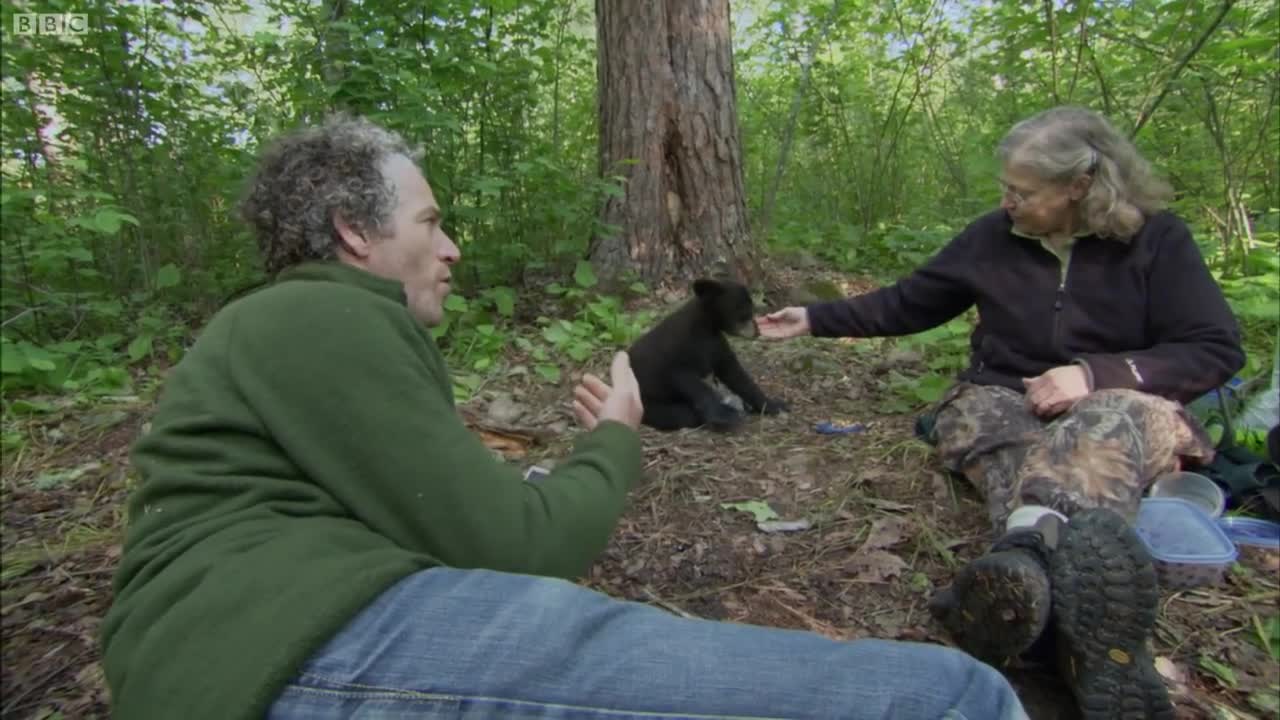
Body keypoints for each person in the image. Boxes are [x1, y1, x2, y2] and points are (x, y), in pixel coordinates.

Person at [98, 114, 1029, 720]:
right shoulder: (322, 313)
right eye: (430, 223)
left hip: (250, 645)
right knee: (950, 698)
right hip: (288, 642)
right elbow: (522, 549)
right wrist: (614, 437)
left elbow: (439, 513)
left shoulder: (283, 332)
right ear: (354, 232)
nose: (453, 247)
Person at [759, 105, 1245, 719]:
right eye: (1005, 187)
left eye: (1024, 191)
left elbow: (1214, 347)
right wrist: (814, 318)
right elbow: (911, 302)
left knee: (1100, 423)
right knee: (986, 424)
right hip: (1006, 395)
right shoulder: (993, 237)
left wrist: (1094, 374)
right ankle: (1079, 637)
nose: (1007, 201)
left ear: (1080, 187)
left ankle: (1026, 580)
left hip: (1120, 407)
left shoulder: (1157, 240)